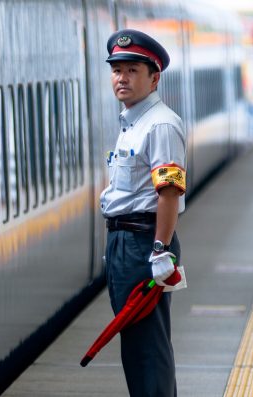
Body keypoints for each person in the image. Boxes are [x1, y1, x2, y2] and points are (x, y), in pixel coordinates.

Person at [100, 29, 187, 396]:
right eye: (117, 69)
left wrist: (159, 250)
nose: (122, 77)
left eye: (132, 69)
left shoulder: (160, 124)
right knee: (137, 347)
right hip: (127, 243)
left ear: (154, 77)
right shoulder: (132, 121)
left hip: (143, 244)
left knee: (147, 349)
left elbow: (167, 193)